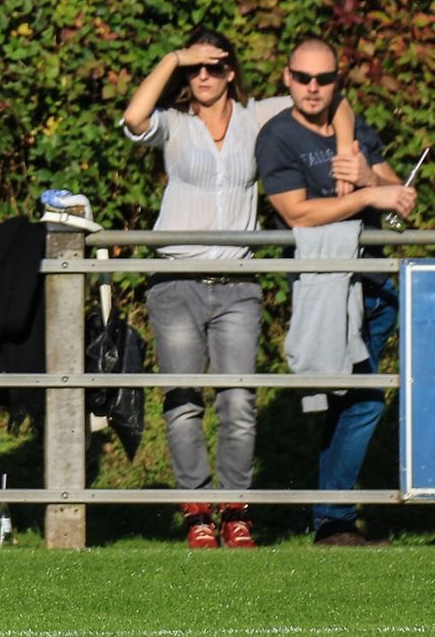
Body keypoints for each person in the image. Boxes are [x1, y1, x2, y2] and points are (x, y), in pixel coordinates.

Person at [121, 27, 360, 548]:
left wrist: (345, 153)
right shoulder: (175, 124)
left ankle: (236, 510)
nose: (203, 76)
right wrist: (173, 55)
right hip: (176, 280)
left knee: (238, 401)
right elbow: (134, 118)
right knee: (183, 401)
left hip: (238, 283)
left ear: (231, 71)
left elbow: (333, 100)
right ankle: (197, 511)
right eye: (194, 69)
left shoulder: (259, 116)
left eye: (213, 66)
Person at [255, 36, 414, 546]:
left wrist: (369, 173)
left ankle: (331, 520)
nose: (313, 88)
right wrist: (368, 194)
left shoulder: (351, 121)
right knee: (363, 401)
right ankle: (331, 518)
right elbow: (296, 212)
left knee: (352, 401)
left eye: (324, 79)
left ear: (337, 80)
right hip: (329, 282)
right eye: (303, 78)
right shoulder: (277, 136)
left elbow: (398, 190)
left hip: (375, 279)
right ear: (286, 78)